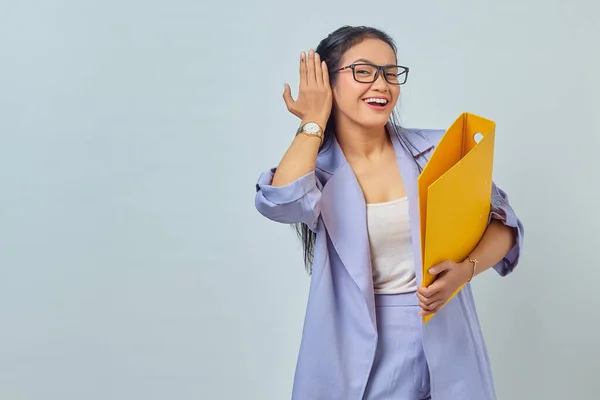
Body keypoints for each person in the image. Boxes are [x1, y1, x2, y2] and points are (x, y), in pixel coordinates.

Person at [254, 25, 524, 400]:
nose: (381, 85)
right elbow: (280, 202)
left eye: (390, 72)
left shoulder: (438, 150)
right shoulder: (315, 169)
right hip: (357, 352)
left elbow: (505, 226)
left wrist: (465, 271)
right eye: (363, 72)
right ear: (328, 83)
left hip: (446, 339)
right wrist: (312, 122)